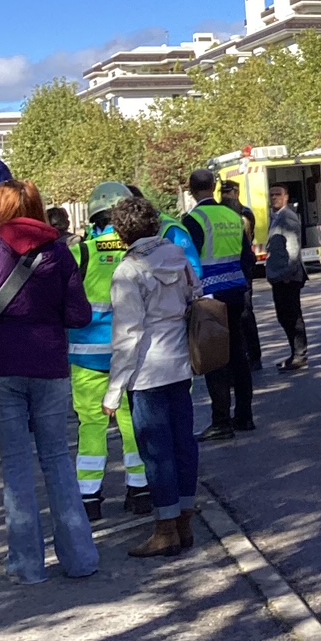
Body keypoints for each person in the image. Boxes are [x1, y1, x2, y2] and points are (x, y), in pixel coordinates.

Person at [0, 179, 98, 585]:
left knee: (16, 464)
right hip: (49, 365)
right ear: (37, 208)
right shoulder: (59, 254)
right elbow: (80, 315)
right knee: (57, 461)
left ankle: (27, 566)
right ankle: (81, 558)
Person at [103, 196, 200, 558]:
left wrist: (113, 392)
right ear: (156, 224)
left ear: (121, 231)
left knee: (156, 452)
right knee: (183, 445)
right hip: (180, 364)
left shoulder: (128, 271)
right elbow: (195, 299)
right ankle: (186, 521)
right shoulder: (178, 258)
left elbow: (128, 336)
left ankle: (165, 530)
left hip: (146, 372)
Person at [69, 182, 150, 519]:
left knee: (91, 425)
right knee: (133, 424)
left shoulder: (82, 253)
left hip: (86, 355)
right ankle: (140, 490)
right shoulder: (140, 252)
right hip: (131, 353)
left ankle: (89, 499)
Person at [183, 169, 255, 441]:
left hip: (210, 295)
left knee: (215, 359)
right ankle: (245, 415)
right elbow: (247, 256)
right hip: (236, 290)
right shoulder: (234, 216)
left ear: (191, 189)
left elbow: (189, 261)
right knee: (238, 352)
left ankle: (221, 421)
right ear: (214, 187)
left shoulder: (194, 219)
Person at [265, 186, 309, 372]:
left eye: (278, 194)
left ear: (286, 197)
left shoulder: (287, 217)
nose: (274, 198)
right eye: (272, 194)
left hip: (287, 277)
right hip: (279, 276)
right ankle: (295, 353)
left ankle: (300, 355)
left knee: (292, 316)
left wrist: (286, 275)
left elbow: (293, 248)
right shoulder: (276, 217)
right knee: (284, 316)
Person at [221, 180, 263, 373]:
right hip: (225, 270)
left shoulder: (244, 214)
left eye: (229, 192)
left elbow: (246, 239)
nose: (225, 195)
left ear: (236, 192)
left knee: (246, 314)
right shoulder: (222, 211)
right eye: (223, 192)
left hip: (242, 268)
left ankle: (254, 356)